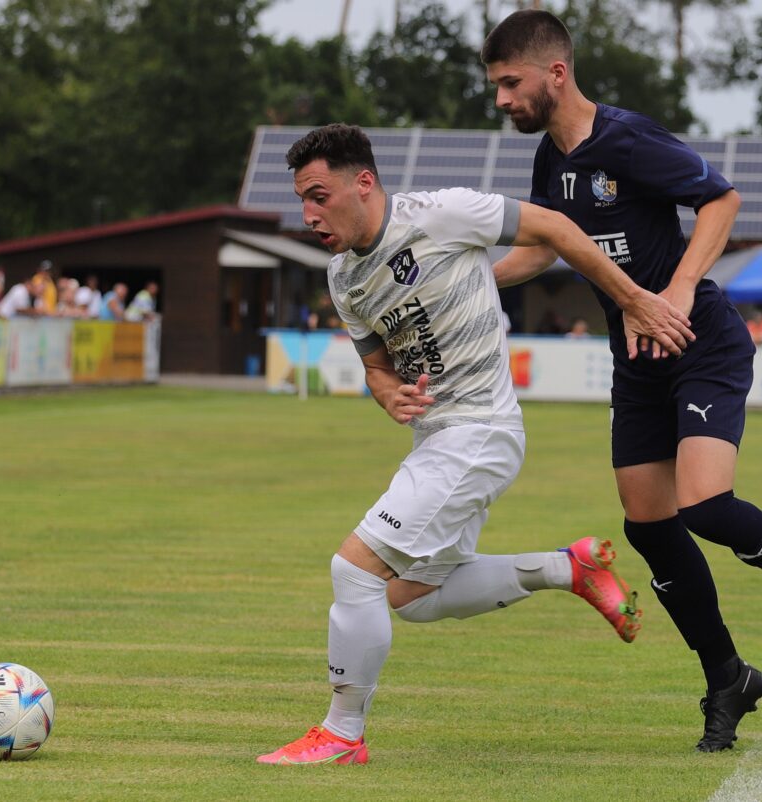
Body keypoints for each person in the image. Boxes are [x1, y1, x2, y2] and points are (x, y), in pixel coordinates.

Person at [258, 123, 697, 767]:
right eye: (303, 200)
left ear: (364, 182)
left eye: (319, 196)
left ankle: (342, 734)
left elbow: (554, 228)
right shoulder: (344, 277)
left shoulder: (442, 213)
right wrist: (388, 394)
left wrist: (632, 299)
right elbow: (377, 367)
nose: (309, 215)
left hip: (478, 432)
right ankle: (567, 568)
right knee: (410, 597)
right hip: (437, 440)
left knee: (354, 571)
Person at [481, 10, 762, 753]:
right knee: (648, 525)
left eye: (510, 83)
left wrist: (678, 291)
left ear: (556, 73)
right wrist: (470, 284)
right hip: (636, 360)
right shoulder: (550, 161)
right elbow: (548, 247)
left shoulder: (627, 138)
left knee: (706, 506)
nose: (502, 100)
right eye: (495, 86)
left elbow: (722, 200)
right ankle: (727, 677)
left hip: (699, 340)